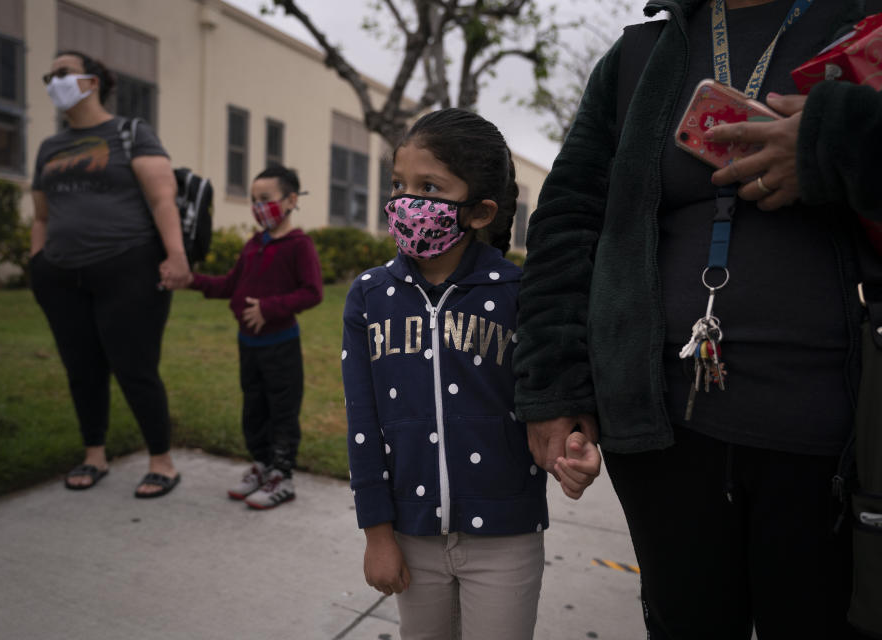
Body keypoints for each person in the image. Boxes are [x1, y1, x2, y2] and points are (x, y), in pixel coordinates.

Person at [514, 0, 882, 638]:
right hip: (664, 438)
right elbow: (569, 222)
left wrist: (834, 143)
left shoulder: (866, 24)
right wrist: (555, 387)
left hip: (836, 440)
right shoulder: (638, 55)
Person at [341, 108, 602, 639]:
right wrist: (377, 534)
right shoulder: (369, 296)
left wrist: (578, 444)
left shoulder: (522, 293)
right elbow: (362, 426)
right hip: (410, 535)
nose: (404, 200)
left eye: (428, 186)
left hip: (507, 536)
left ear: (480, 212)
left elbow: (558, 396)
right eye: (398, 184)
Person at [30, 51, 189, 498]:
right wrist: (36, 263)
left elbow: (163, 199)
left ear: (91, 81)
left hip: (128, 268)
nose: (53, 81)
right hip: (60, 274)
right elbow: (41, 215)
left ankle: (162, 461)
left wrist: (176, 256)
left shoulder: (130, 132)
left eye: (61, 73)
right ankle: (93, 454)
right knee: (81, 368)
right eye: (49, 75)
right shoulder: (49, 147)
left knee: (134, 366)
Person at [173, 166, 322, 509]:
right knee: (254, 409)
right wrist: (190, 280)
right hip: (248, 347)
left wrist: (270, 308)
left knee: (281, 411)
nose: (259, 207)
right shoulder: (253, 245)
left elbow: (312, 292)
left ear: (291, 201)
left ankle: (282, 476)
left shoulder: (299, 246)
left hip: (280, 347)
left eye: (266, 199)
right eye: (254, 200)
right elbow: (229, 285)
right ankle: (262, 465)